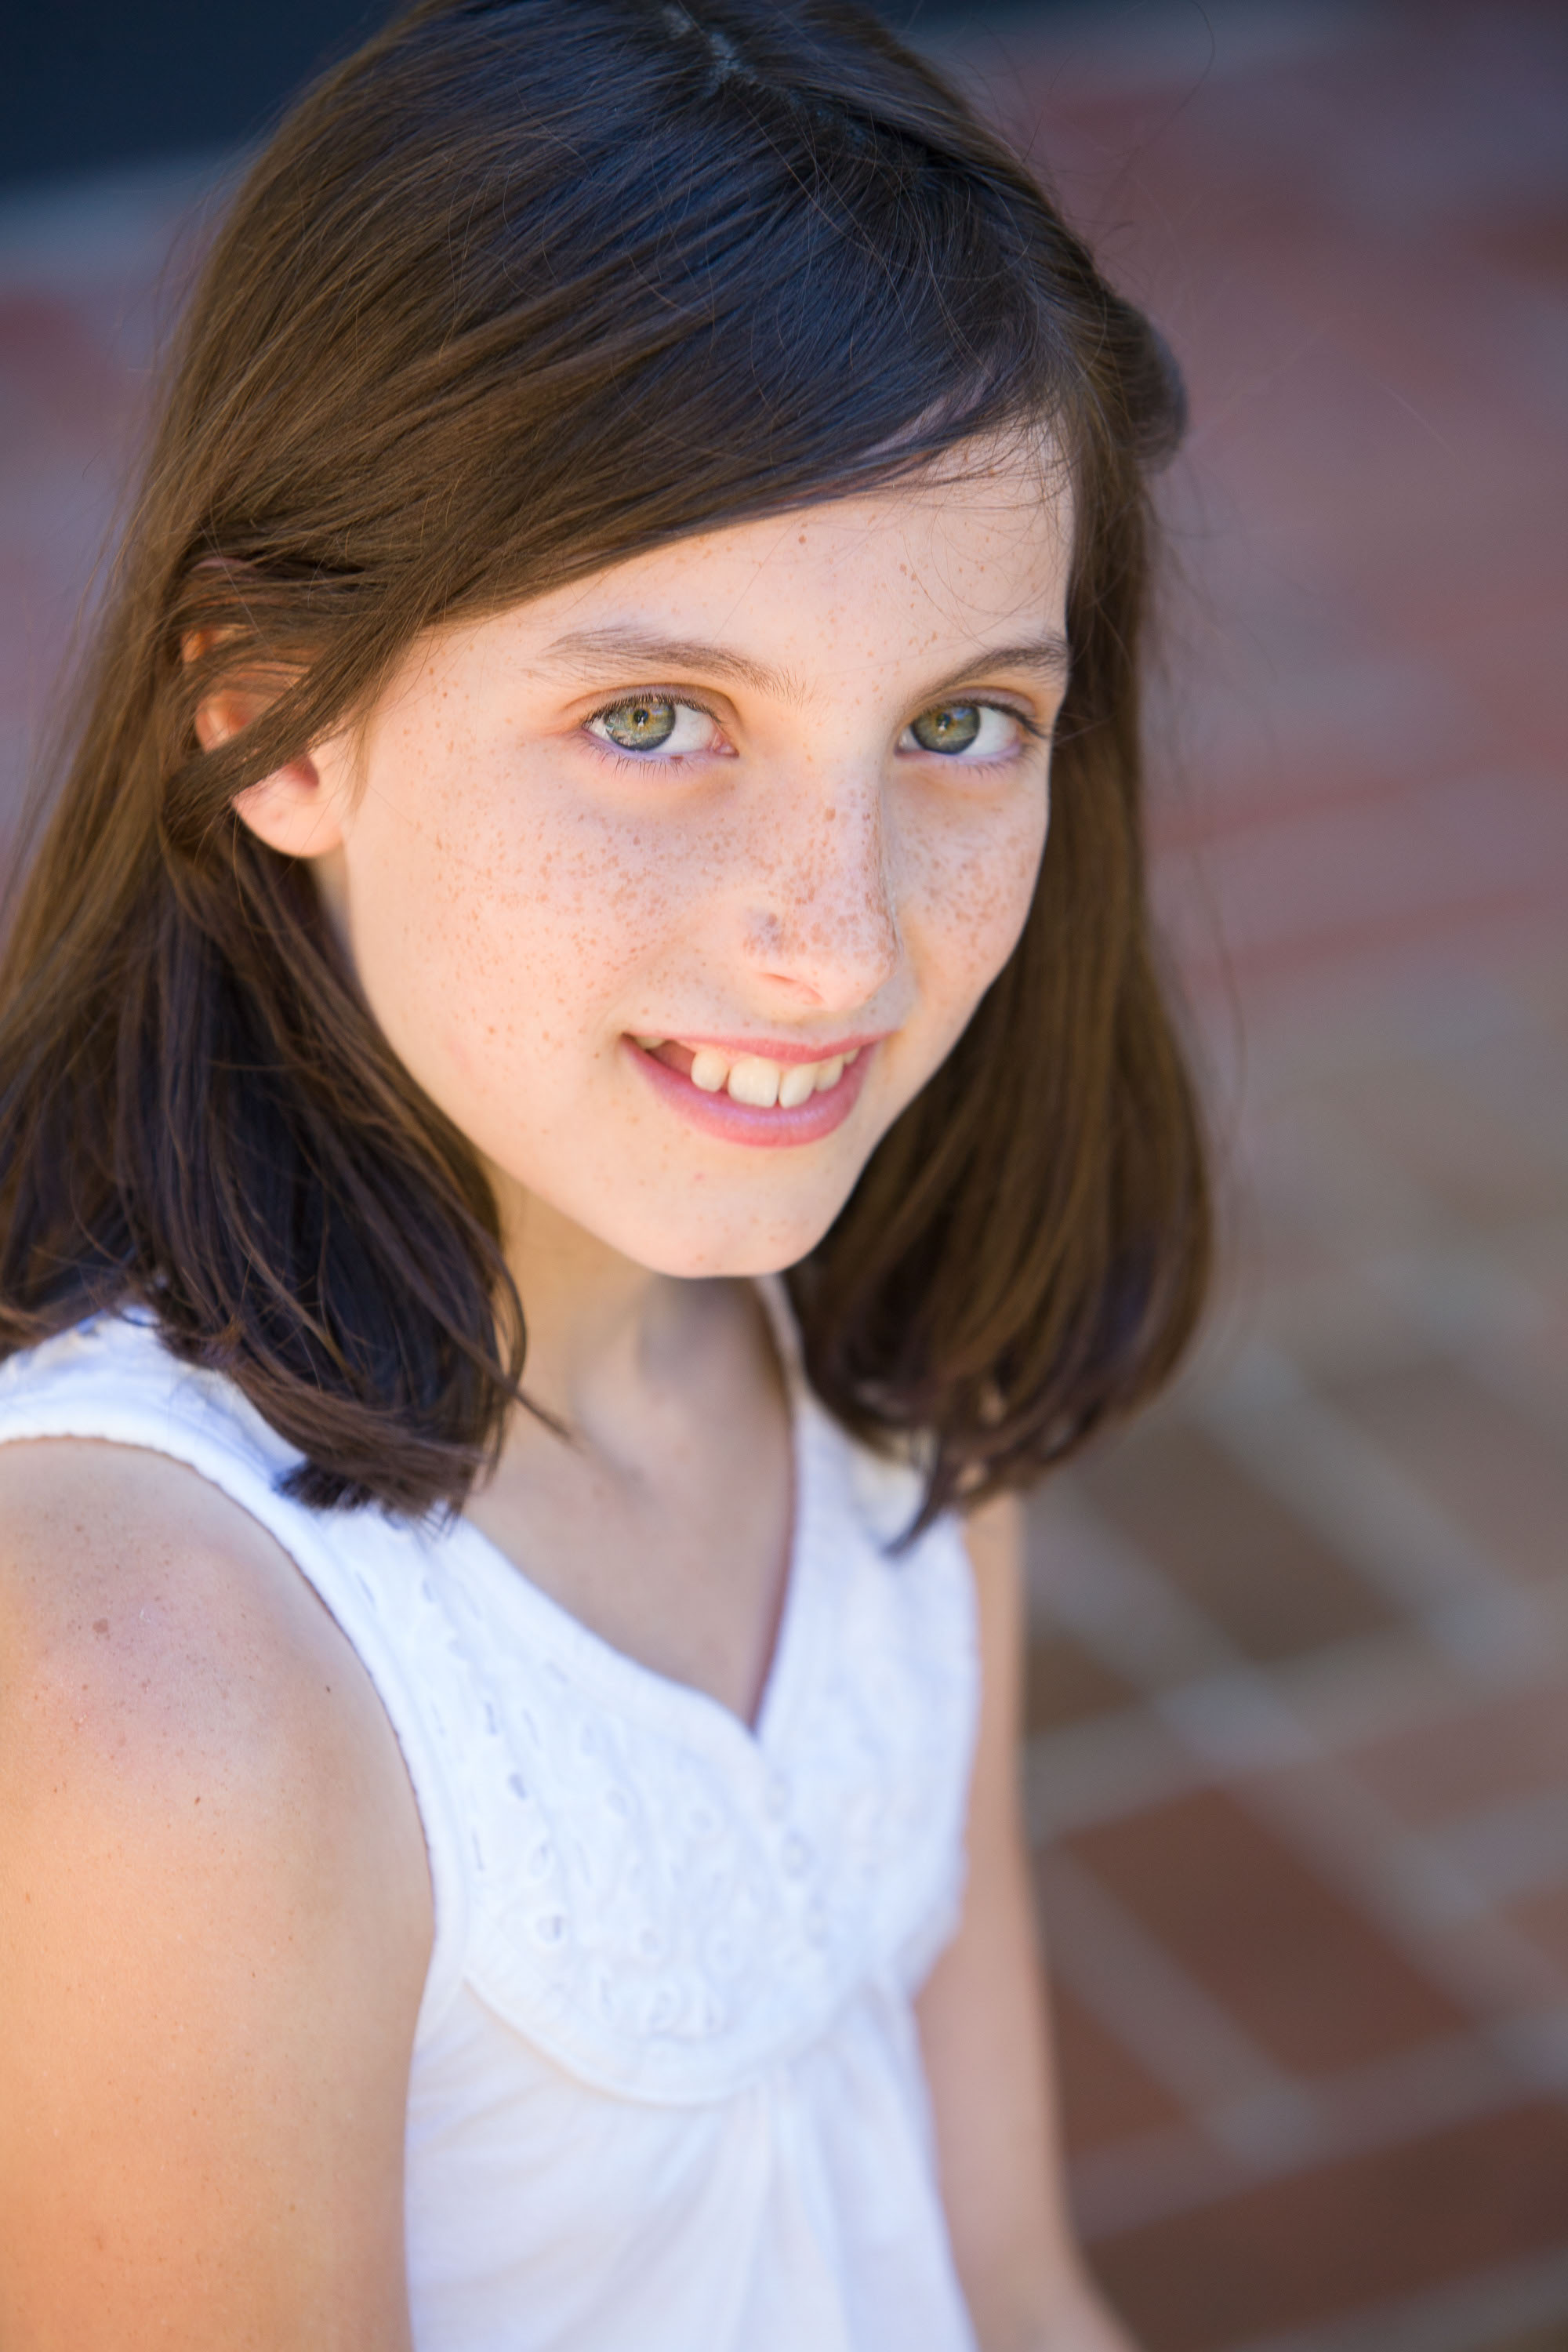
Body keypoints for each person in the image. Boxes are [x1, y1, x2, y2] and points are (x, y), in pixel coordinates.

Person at [0, 2, 1208, 2345]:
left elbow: (1009, 2275)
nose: (836, 936)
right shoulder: (169, 1690)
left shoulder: (885, 1349)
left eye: (961, 725)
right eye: (655, 719)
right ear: (267, 708)